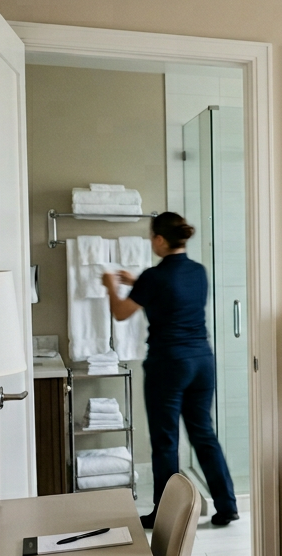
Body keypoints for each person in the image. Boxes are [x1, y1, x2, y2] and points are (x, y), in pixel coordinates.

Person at [102, 212, 239, 529]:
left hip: (169, 364)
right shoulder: (198, 271)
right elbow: (174, 297)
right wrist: (138, 283)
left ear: (160, 240)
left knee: (166, 441)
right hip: (202, 361)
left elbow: (122, 312)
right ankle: (227, 505)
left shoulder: (154, 276)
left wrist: (112, 286)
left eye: (152, 237)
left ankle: (166, 515)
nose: (152, 243)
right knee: (204, 435)